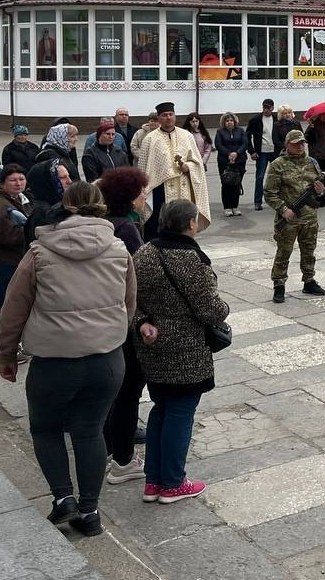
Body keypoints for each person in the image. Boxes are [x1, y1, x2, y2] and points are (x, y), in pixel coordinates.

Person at [0, 181, 134, 536]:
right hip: (106, 359)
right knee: (89, 430)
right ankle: (89, 512)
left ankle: (63, 498)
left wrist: (6, 354)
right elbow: (129, 303)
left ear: (65, 206)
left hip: (54, 361)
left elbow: (13, 309)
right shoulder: (119, 248)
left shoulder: (40, 251)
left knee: (46, 428)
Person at [132, 199, 229, 504]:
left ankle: (153, 482)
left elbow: (129, 299)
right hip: (185, 348)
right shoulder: (190, 259)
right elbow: (211, 310)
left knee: (161, 407)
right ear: (190, 224)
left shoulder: (143, 254)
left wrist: (143, 322)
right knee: (180, 411)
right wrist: (224, 307)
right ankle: (173, 483)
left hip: (151, 344)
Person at [94, 166, 148, 489]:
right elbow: (138, 274)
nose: (145, 198)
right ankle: (123, 461)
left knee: (110, 392)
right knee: (127, 392)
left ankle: (108, 449)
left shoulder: (102, 224)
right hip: (122, 320)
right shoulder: (126, 229)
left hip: (100, 318)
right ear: (129, 198)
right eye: (141, 193)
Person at [263, 130, 325, 302]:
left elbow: (319, 186)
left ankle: (309, 280)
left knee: (309, 251)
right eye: (296, 143)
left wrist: (320, 191)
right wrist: (283, 209)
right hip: (289, 218)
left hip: (310, 217)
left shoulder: (311, 162)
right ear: (287, 145)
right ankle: (279, 284)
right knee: (284, 252)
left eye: (302, 143)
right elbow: (269, 193)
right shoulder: (278, 164)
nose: (300, 146)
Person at [136, 102, 209, 240]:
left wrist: (188, 167)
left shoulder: (186, 136)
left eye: (171, 114)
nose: (168, 118)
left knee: (182, 226)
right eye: (164, 115)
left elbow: (197, 163)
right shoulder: (149, 140)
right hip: (159, 192)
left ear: (175, 116)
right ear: (159, 118)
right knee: (157, 228)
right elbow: (143, 169)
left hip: (183, 188)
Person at [0, 165, 30, 348]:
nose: (18, 183)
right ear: (2, 183)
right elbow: (8, 236)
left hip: (13, 262)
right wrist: (32, 231)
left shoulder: (18, 199)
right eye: (13, 180)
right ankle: (5, 348)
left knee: (14, 307)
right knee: (4, 309)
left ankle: (15, 345)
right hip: (2, 264)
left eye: (21, 179)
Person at [246, 99, 278, 212]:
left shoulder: (277, 119)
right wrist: (251, 151)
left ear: (272, 108)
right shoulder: (255, 120)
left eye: (268, 108)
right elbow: (247, 135)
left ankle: (277, 200)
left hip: (275, 151)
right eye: (264, 107)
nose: (266, 110)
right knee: (259, 177)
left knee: (277, 177)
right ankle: (257, 202)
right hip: (261, 152)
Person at [213, 113, 247, 217]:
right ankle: (227, 207)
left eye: (231, 120)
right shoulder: (220, 132)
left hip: (239, 160)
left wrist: (236, 153)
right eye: (227, 121)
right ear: (224, 122)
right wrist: (229, 154)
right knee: (226, 184)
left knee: (236, 184)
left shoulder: (240, 131)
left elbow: (245, 144)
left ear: (234, 121)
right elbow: (218, 145)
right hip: (224, 161)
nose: (229, 122)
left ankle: (235, 206)